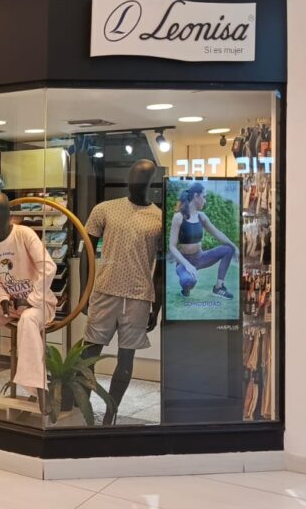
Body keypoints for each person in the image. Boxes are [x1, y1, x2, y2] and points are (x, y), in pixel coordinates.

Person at [82, 159, 163, 424]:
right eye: (133, 177)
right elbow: (87, 252)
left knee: (126, 358)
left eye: (142, 179)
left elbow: (161, 267)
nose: (135, 183)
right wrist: (84, 292)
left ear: (150, 183)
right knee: (88, 354)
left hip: (139, 296)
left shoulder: (159, 218)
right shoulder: (104, 209)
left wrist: (157, 306)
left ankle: (111, 414)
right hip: (104, 290)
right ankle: (83, 407)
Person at [0, 193, 56, 397]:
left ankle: (37, 388)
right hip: (11, 304)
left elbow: (48, 268)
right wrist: (3, 300)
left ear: (9, 212)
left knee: (28, 319)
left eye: (3, 211)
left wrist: (30, 299)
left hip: (38, 304)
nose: (0, 216)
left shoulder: (24, 234)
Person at [168, 182, 237, 299]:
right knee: (189, 281)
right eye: (204, 197)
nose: (205, 201)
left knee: (228, 249)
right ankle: (186, 288)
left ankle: (219, 287)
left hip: (200, 258)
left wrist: (234, 246)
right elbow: (172, 246)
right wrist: (187, 265)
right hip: (184, 262)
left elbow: (217, 233)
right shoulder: (178, 217)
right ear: (196, 196)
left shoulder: (201, 216)